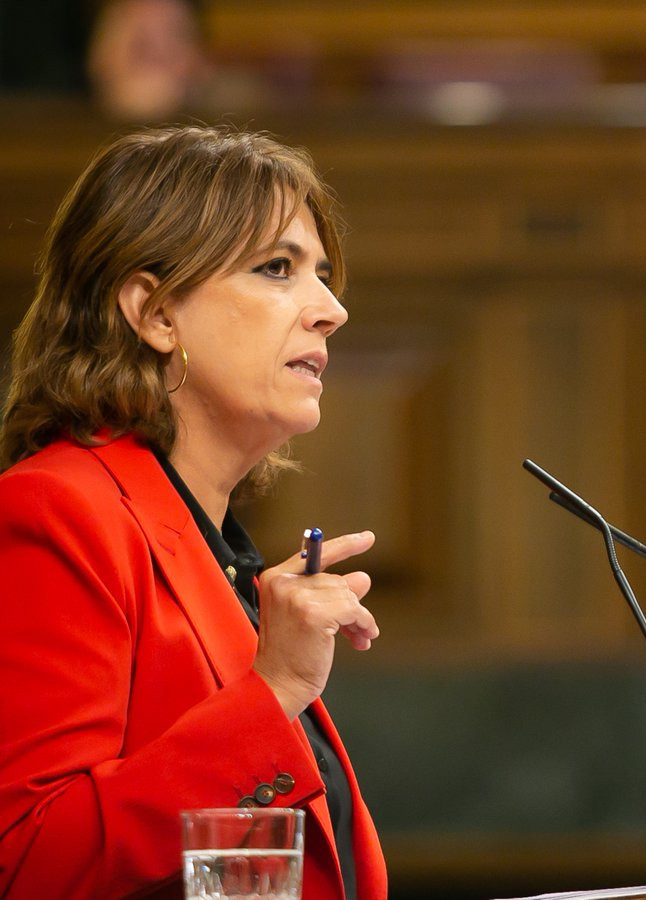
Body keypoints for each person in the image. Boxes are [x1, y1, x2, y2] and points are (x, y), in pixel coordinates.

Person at [0, 124, 387, 899]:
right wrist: (272, 692)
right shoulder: (57, 511)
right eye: (278, 268)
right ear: (154, 313)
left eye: (322, 273)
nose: (331, 309)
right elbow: (28, 862)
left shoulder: (218, 555)